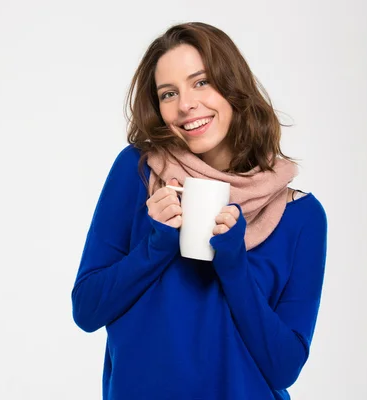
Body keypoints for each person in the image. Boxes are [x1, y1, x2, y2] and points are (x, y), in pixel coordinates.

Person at [71, 21, 328, 400]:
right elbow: (88, 309)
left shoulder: (300, 216)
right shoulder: (140, 172)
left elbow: (283, 368)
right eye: (169, 93)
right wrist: (157, 245)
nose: (186, 104)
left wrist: (233, 263)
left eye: (201, 82)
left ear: (232, 86)